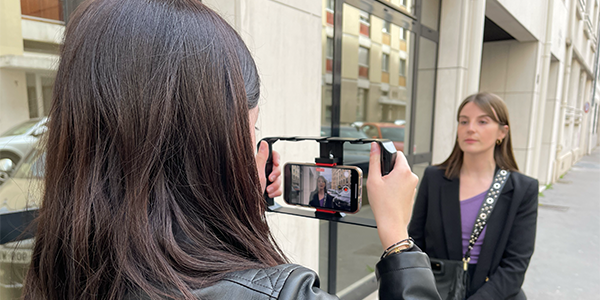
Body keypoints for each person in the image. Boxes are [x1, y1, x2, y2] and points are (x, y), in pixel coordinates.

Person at [22, 0, 441, 299]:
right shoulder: (280, 294)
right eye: (251, 130)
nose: (253, 150)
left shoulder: (60, 267)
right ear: (210, 147)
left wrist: (232, 200)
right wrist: (398, 241)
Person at [408, 92, 538, 300]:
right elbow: (416, 243)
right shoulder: (434, 178)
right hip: (438, 291)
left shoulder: (523, 189)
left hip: (495, 294)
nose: (470, 128)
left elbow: (515, 265)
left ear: (502, 133)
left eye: (483, 121)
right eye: (464, 121)